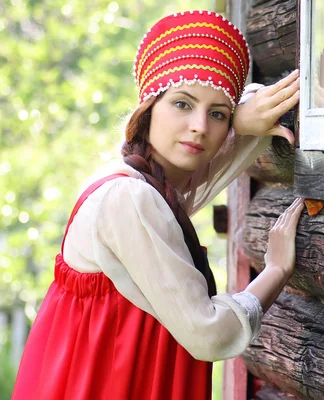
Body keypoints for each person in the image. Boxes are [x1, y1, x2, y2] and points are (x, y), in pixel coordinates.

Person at [12, 10, 304, 400]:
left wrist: (239, 122)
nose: (200, 126)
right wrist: (275, 271)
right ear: (148, 109)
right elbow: (210, 334)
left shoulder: (145, 184)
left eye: (216, 114)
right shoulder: (129, 198)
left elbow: (200, 175)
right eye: (182, 104)